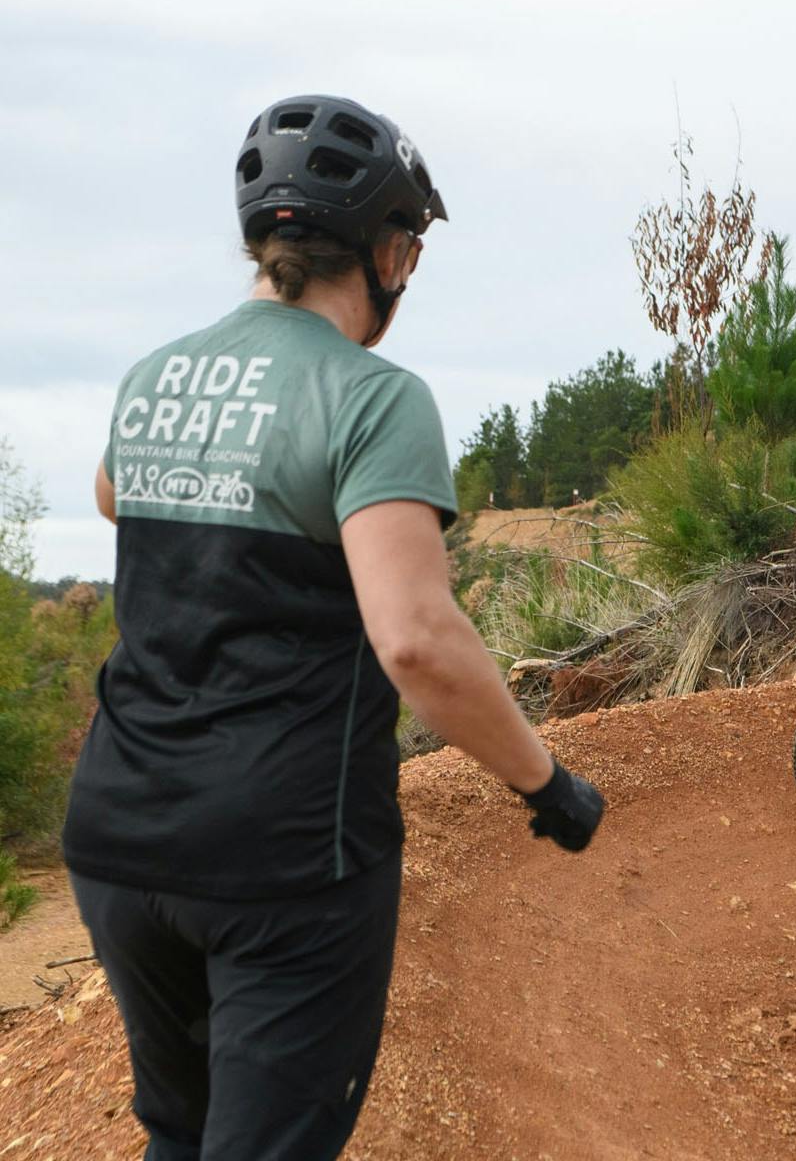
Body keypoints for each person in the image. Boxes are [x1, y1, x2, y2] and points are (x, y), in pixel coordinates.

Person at [62, 94, 604, 1161]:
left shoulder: (152, 377)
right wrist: (548, 786)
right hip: (284, 856)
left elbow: (112, 497)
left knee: (179, 1132)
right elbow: (415, 641)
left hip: (120, 837)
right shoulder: (372, 399)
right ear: (390, 249)